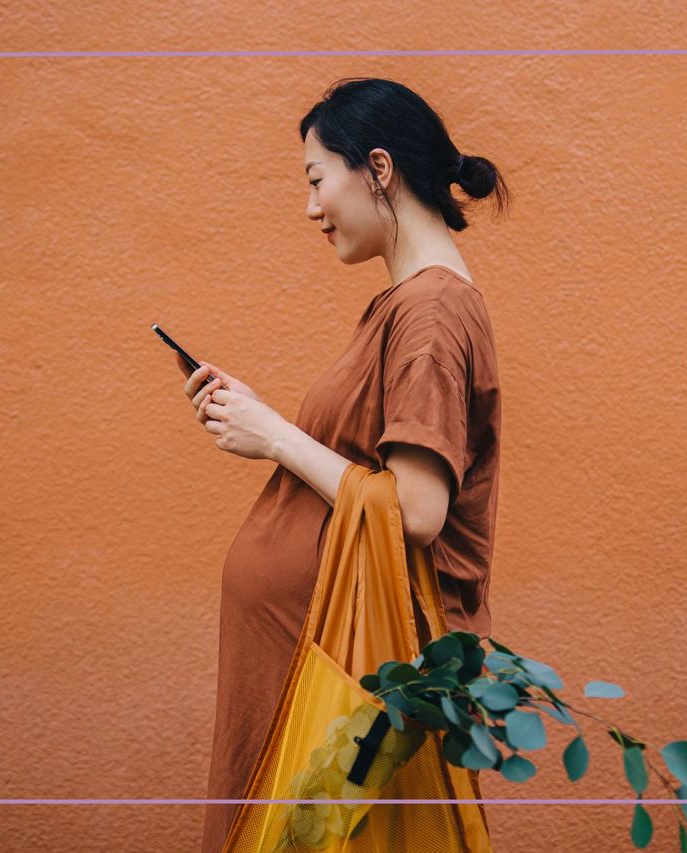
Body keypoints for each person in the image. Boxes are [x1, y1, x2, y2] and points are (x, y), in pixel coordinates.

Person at [181, 77, 512, 853]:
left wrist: (274, 436)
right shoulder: (409, 304)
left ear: (378, 168)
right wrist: (261, 417)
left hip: (346, 675)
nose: (311, 207)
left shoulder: (431, 311)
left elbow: (419, 511)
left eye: (316, 180)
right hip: (323, 661)